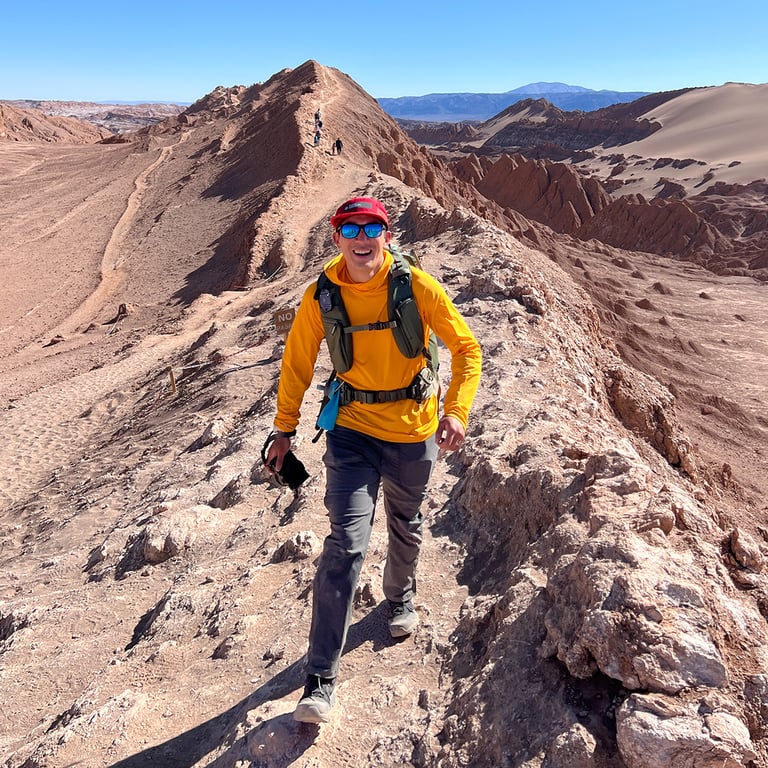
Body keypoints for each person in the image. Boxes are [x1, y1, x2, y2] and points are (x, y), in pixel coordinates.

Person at [265, 197, 482, 724]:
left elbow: (467, 349)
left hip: (412, 431)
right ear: (336, 238)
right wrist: (284, 429)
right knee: (344, 544)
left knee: (405, 522)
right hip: (351, 433)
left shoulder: (417, 287)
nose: (361, 239)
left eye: (371, 229)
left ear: (387, 235)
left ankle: (400, 596)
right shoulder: (322, 295)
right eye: (350, 229)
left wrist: (456, 411)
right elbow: (297, 362)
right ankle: (320, 678)